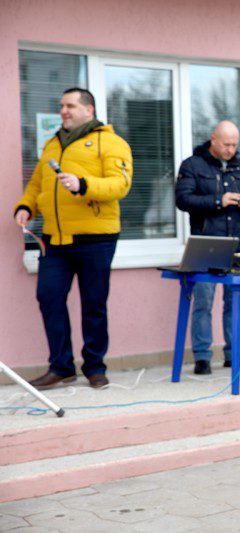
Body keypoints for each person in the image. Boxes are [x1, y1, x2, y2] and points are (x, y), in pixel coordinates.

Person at [13, 88, 133, 390]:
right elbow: (37, 184)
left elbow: (120, 184)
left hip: (96, 238)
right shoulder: (52, 144)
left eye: (70, 106)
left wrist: (83, 184)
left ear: (89, 110)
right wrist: (26, 207)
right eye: (61, 105)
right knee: (49, 297)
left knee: (94, 303)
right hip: (55, 239)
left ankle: (95, 366)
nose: (64, 111)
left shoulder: (111, 142)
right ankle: (61, 367)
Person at [175, 121, 240, 375]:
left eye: (234, 145)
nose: (230, 149)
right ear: (213, 139)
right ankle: (202, 357)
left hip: (237, 244)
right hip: (207, 245)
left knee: (234, 302)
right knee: (203, 302)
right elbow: (183, 199)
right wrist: (218, 201)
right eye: (226, 144)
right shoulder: (192, 165)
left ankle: (233, 353)